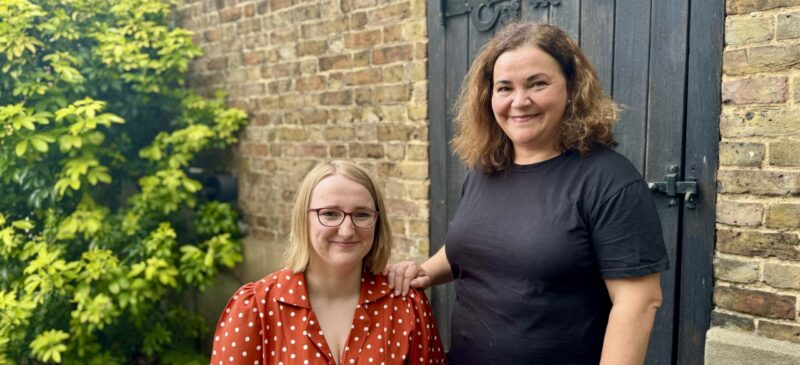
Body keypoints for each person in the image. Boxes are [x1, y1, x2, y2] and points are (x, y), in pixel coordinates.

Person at [384, 22, 669, 365]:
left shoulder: (608, 180)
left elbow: (638, 303)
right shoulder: (485, 169)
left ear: (572, 88)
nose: (520, 101)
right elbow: (477, 243)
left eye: (537, 83)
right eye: (505, 88)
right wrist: (425, 272)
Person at [211, 160, 445, 365]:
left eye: (361, 214)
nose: (346, 230)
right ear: (304, 219)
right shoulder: (256, 308)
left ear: (377, 222)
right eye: (330, 214)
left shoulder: (405, 304)